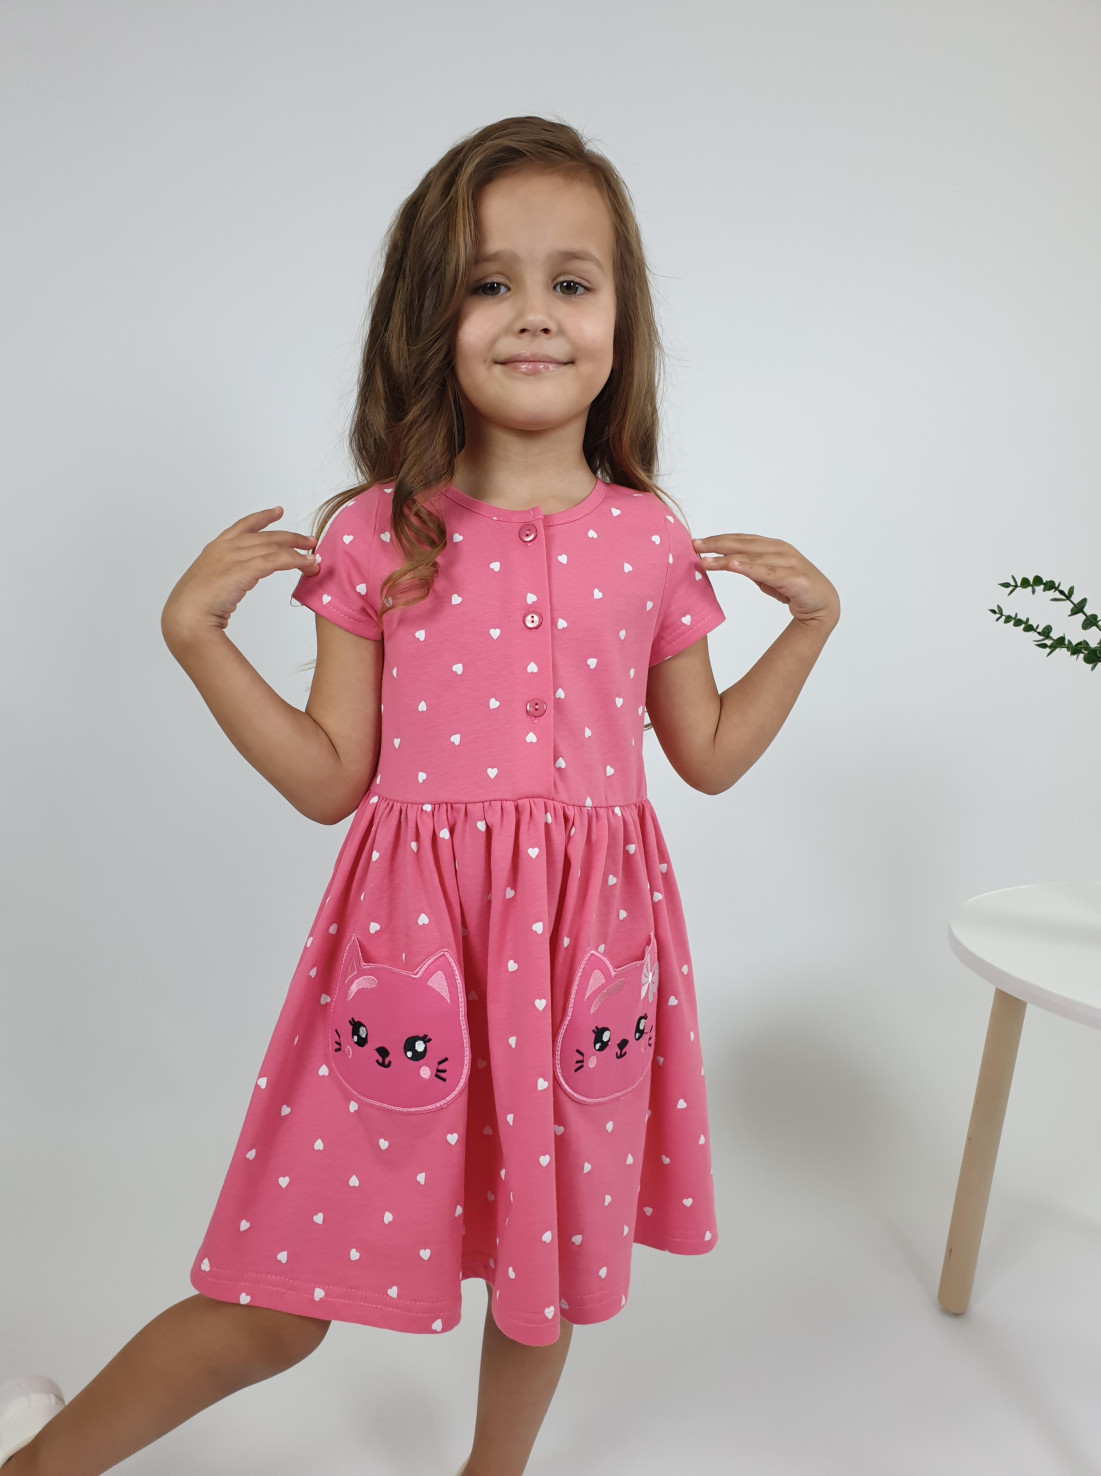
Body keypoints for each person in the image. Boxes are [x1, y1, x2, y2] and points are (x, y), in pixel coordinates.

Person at [0, 114, 839, 1476]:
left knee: (546, 1266)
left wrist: (809, 627)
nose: (535, 314)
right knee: (279, 1300)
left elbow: (709, 752)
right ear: (427, 317)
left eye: (573, 282)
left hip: (584, 965)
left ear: (621, 320)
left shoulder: (649, 540)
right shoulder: (377, 532)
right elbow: (330, 777)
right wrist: (196, 639)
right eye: (489, 282)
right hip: (412, 968)